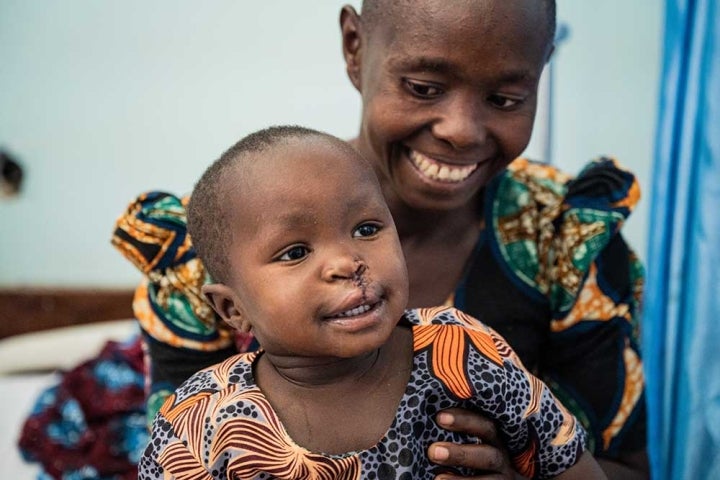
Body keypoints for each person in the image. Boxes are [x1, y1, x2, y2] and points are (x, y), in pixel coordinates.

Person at [21, 0, 648, 478]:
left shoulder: (564, 245)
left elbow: (619, 464)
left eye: (507, 97)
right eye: (423, 88)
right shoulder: (223, 243)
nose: (460, 130)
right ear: (355, 46)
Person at [139, 125, 607, 480]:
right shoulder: (197, 426)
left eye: (366, 229)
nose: (348, 261)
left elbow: (567, 461)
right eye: (296, 252)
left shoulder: (463, 352)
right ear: (232, 309)